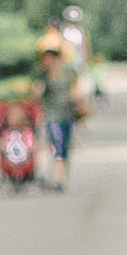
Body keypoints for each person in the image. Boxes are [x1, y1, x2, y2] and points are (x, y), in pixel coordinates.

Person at [36, 44, 88, 187]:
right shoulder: (43, 75)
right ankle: (58, 177)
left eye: (49, 58)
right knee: (56, 144)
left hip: (67, 113)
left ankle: (62, 174)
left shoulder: (68, 72)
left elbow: (75, 89)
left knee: (64, 145)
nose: (46, 62)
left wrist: (79, 102)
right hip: (52, 115)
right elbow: (36, 94)